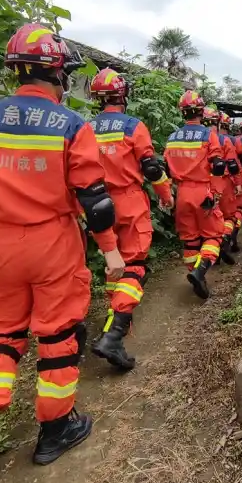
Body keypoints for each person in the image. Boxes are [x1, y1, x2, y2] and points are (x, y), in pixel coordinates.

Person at [0, 24, 124, 483]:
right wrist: (110, 250)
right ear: (58, 72)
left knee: (1, 337)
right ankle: (55, 429)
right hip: (51, 243)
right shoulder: (69, 124)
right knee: (59, 335)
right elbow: (94, 199)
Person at [87, 67, 174, 371]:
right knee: (135, 265)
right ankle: (113, 334)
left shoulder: (84, 128)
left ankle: (117, 323)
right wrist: (164, 194)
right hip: (128, 201)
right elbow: (151, 169)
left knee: (114, 264)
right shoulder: (133, 126)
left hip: (95, 201)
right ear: (123, 94)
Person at [163, 91, 226, 299]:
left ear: (183, 113)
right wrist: (215, 192)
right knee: (213, 235)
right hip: (202, 190)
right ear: (201, 111)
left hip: (182, 194)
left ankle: (195, 274)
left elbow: (165, 170)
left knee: (190, 240)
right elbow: (218, 166)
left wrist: (167, 196)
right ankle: (201, 271)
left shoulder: (172, 138)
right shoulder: (209, 136)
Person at [201, 107, 237, 264]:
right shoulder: (224, 140)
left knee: (207, 224)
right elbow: (233, 165)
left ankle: (207, 257)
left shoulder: (198, 139)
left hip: (202, 186)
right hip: (223, 183)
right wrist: (239, 183)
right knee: (228, 217)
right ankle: (224, 242)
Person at [218, 112, 242, 253]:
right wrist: (241, 180)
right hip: (229, 181)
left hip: (206, 184)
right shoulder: (232, 141)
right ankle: (229, 238)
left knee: (213, 217)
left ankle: (212, 252)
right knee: (232, 214)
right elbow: (238, 163)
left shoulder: (206, 138)